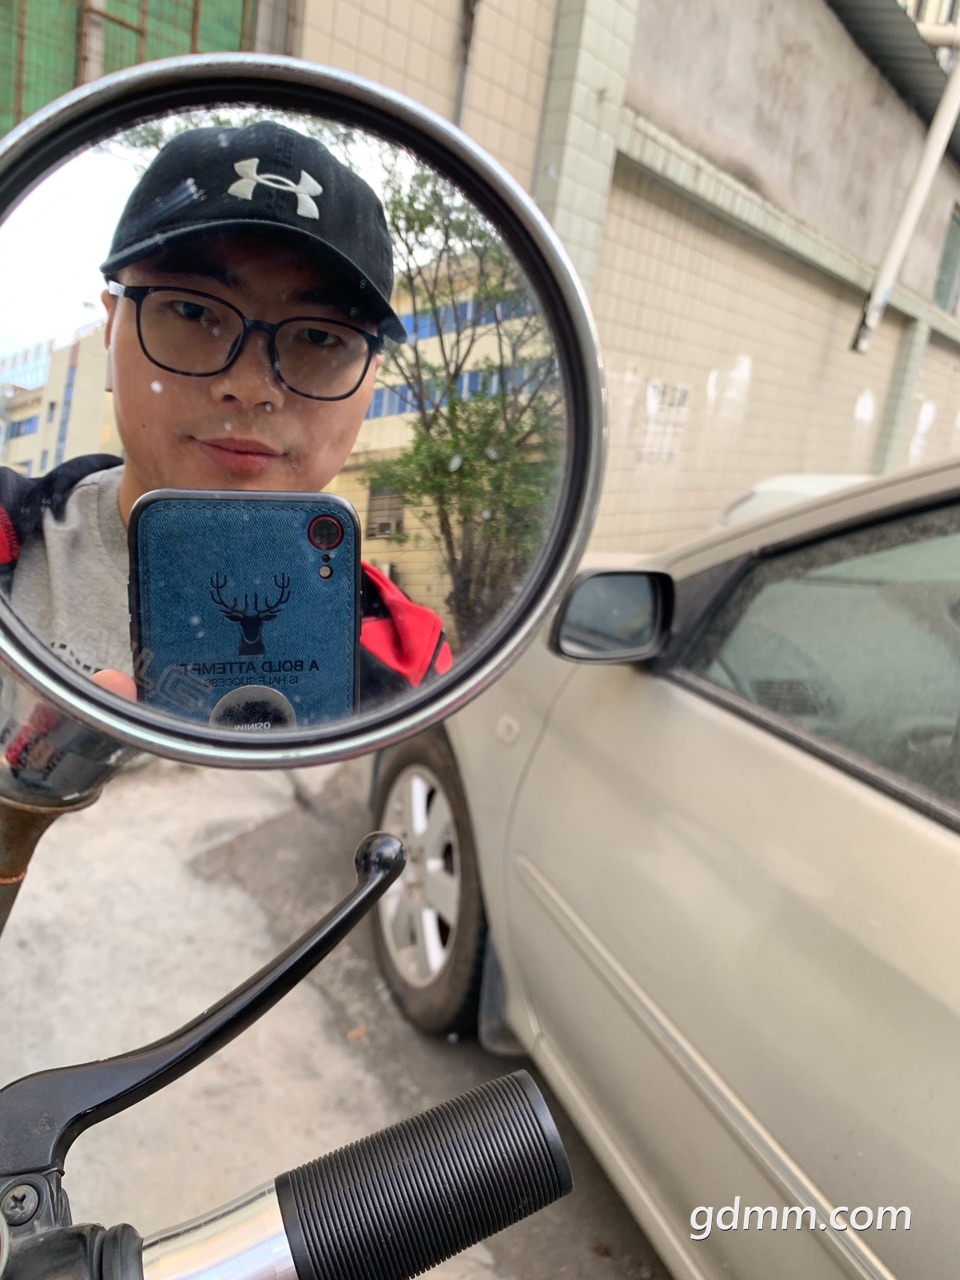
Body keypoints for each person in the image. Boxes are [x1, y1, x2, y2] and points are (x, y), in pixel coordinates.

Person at [0, 120, 451, 711]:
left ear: (371, 380)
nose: (249, 387)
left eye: (319, 337)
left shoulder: (410, 664)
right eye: (193, 311)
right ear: (110, 328)